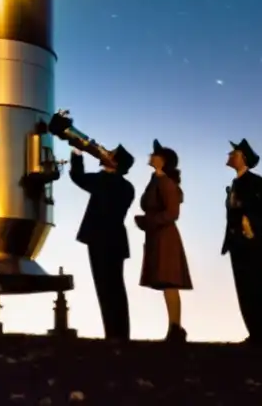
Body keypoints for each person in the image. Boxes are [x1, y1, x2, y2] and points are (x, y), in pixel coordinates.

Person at [68, 142, 136, 340]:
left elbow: (78, 177)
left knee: (105, 288)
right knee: (116, 288)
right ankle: (120, 333)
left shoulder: (105, 181)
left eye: (110, 154)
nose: (105, 152)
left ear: (114, 163)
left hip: (99, 240)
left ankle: (113, 334)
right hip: (116, 242)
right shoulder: (126, 187)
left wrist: (77, 153)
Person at [222, 138, 262, 346]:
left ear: (243, 158)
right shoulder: (235, 185)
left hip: (252, 243)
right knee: (244, 291)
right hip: (236, 244)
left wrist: (253, 226)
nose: (229, 155)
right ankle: (256, 335)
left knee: (260, 288)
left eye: (234, 153)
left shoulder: (258, 184)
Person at [134, 139, 192, 342]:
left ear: (162, 160)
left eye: (154, 154)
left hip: (165, 237)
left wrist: (148, 222)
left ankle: (175, 328)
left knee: (170, 282)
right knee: (167, 283)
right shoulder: (157, 180)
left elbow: (172, 213)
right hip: (158, 236)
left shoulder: (165, 182)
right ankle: (174, 328)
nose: (150, 155)